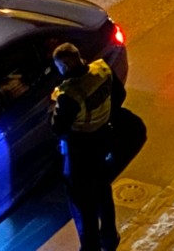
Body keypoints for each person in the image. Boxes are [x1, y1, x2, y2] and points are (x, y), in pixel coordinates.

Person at [52, 43, 124, 251]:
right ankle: (110, 237)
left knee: (83, 206)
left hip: (80, 153)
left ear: (65, 65)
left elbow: (58, 128)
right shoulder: (102, 70)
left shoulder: (69, 94)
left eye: (59, 67)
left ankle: (90, 247)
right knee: (103, 192)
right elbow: (119, 96)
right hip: (102, 141)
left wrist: (54, 105)